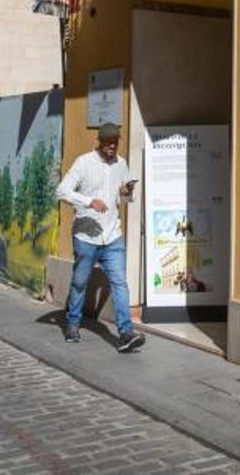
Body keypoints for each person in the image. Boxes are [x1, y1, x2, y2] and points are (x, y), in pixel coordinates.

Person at [56, 122, 145, 353]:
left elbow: (124, 198)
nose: (112, 147)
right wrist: (88, 201)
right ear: (100, 142)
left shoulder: (122, 163)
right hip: (86, 236)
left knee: (120, 283)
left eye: (115, 143)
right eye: (108, 143)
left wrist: (126, 193)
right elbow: (61, 191)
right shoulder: (84, 163)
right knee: (79, 282)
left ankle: (126, 332)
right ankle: (73, 323)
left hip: (112, 235)